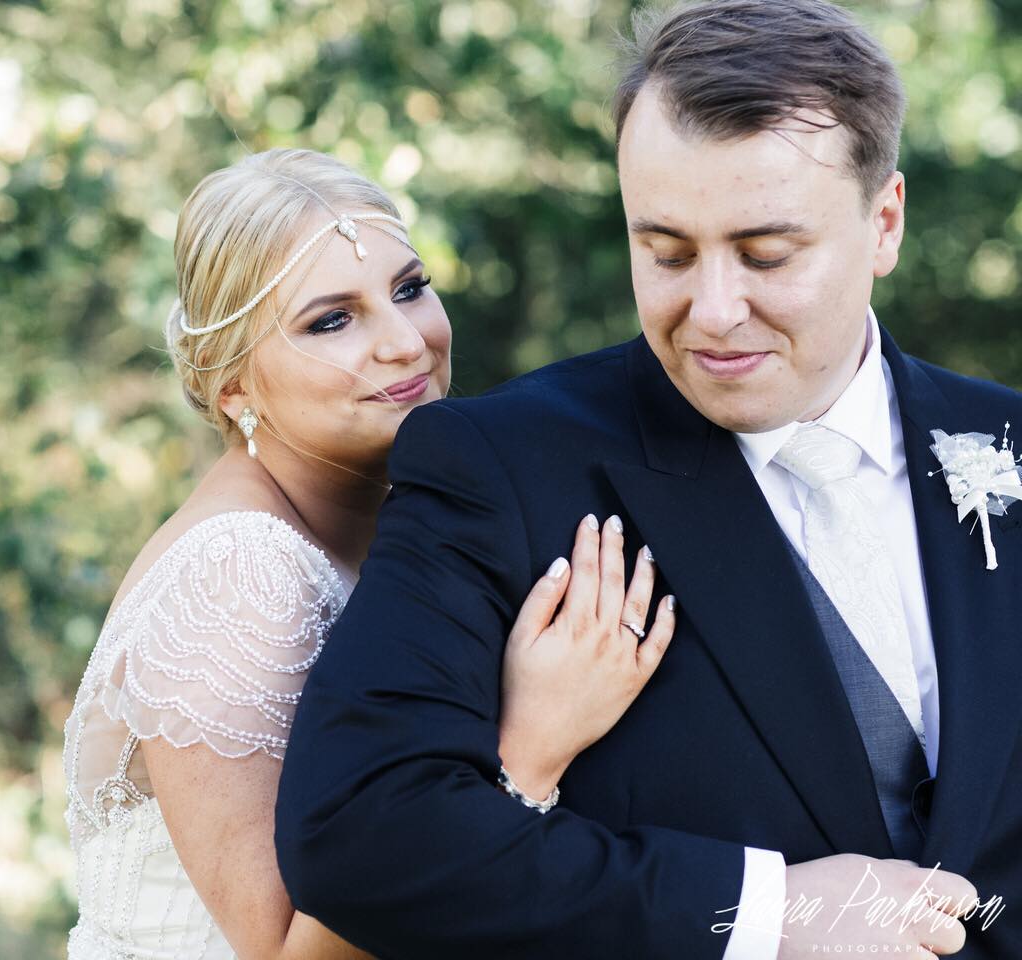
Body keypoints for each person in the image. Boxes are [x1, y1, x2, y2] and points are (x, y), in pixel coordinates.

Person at [276, 1, 1018, 958]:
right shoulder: (499, 469)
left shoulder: (1005, 441)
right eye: (665, 251)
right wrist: (764, 914)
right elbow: (359, 839)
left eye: (766, 254)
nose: (711, 311)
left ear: (884, 224)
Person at [60, 148, 677, 958]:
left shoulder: (408, 519)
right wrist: (531, 744)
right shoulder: (237, 574)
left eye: (409, 289)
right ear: (233, 385)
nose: (405, 344)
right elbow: (289, 950)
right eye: (332, 320)